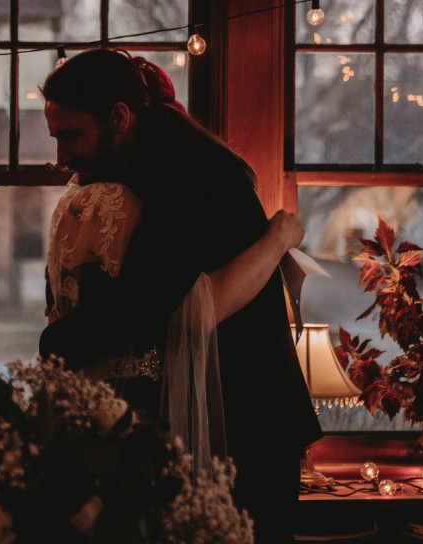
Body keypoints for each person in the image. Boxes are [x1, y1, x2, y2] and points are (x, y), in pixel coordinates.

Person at [39, 48, 322, 544]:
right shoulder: (145, 164)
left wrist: (54, 345)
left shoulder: (183, 168)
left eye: (71, 136)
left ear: (119, 117)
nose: (62, 156)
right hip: (222, 416)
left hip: (252, 421)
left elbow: (146, 301)